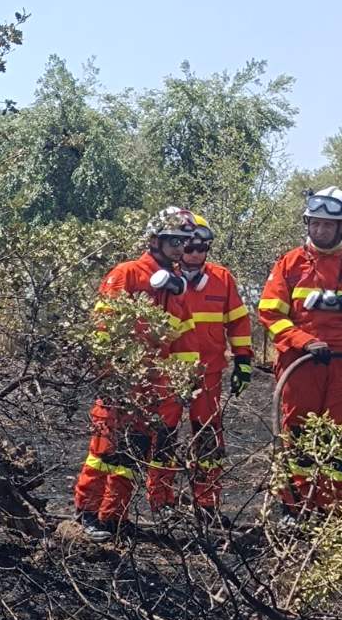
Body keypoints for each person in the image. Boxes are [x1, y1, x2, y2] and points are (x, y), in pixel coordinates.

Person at [73, 207, 199, 541]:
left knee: (132, 454)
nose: (178, 248)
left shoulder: (176, 288)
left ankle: (113, 518)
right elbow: (103, 328)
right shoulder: (126, 273)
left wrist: (184, 381)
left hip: (152, 386)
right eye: (172, 240)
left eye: (183, 242)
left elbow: (182, 338)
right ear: (155, 239)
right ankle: (87, 513)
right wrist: (109, 374)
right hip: (120, 380)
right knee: (105, 451)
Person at [258, 186, 342, 515]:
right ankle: (293, 509)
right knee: (298, 434)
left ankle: (329, 511)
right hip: (301, 363)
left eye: (328, 225)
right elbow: (270, 313)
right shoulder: (290, 263)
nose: (320, 230)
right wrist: (303, 341)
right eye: (315, 223)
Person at [162, 217, 251, 524]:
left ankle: (207, 505)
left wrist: (243, 359)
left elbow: (239, 321)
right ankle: (162, 503)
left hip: (209, 371)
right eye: (190, 247)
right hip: (170, 372)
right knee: (165, 436)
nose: (196, 253)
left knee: (209, 440)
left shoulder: (222, 278)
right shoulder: (163, 278)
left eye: (202, 248)